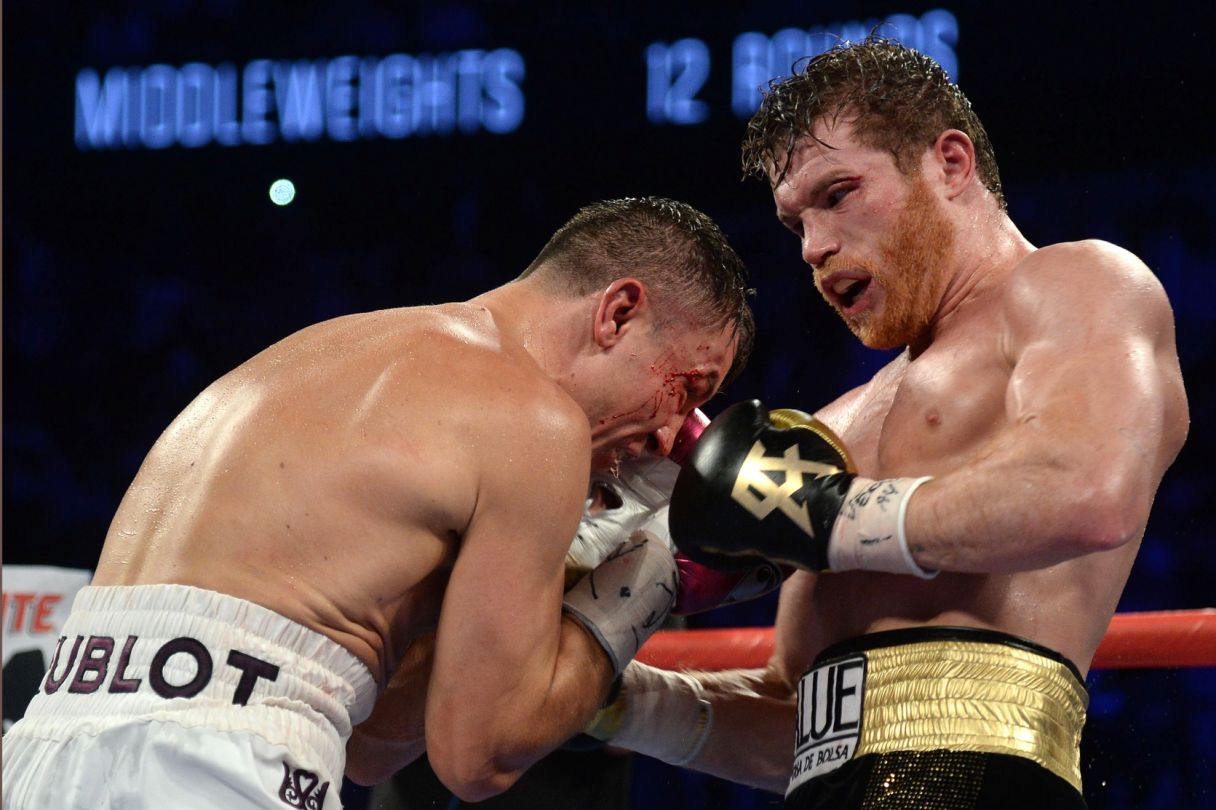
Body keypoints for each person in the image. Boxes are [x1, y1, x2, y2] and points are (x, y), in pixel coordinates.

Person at [580, 37, 1189, 809]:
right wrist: (612, 700)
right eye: (794, 221)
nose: (814, 246)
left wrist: (828, 514)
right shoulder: (831, 427)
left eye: (837, 195)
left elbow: (1089, 491)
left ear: (951, 164)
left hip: (983, 785)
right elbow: (801, 729)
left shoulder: (1075, 284)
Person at [0, 196, 756, 809]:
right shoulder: (534, 419)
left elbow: (370, 746)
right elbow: (479, 756)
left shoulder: (326, 351)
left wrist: (571, 565)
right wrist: (652, 568)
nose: (666, 436)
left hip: (43, 750)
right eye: (684, 388)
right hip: (214, 764)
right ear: (618, 312)